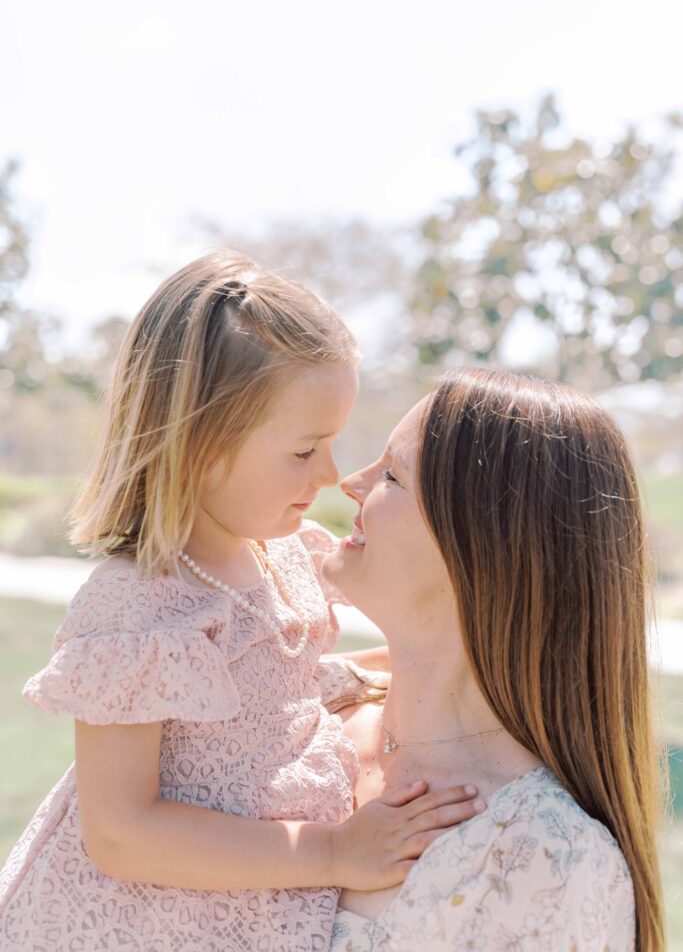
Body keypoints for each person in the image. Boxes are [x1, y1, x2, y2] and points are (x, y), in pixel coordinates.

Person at [0, 252, 481, 952]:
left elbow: (270, 687)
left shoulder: (280, 557)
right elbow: (120, 832)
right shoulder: (138, 610)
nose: (330, 474)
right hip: (139, 925)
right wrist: (332, 852)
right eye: (304, 451)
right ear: (199, 445)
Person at [321, 368, 665, 952]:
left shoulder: (550, 863)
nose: (350, 483)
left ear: (486, 546)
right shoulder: (301, 703)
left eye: (392, 475)